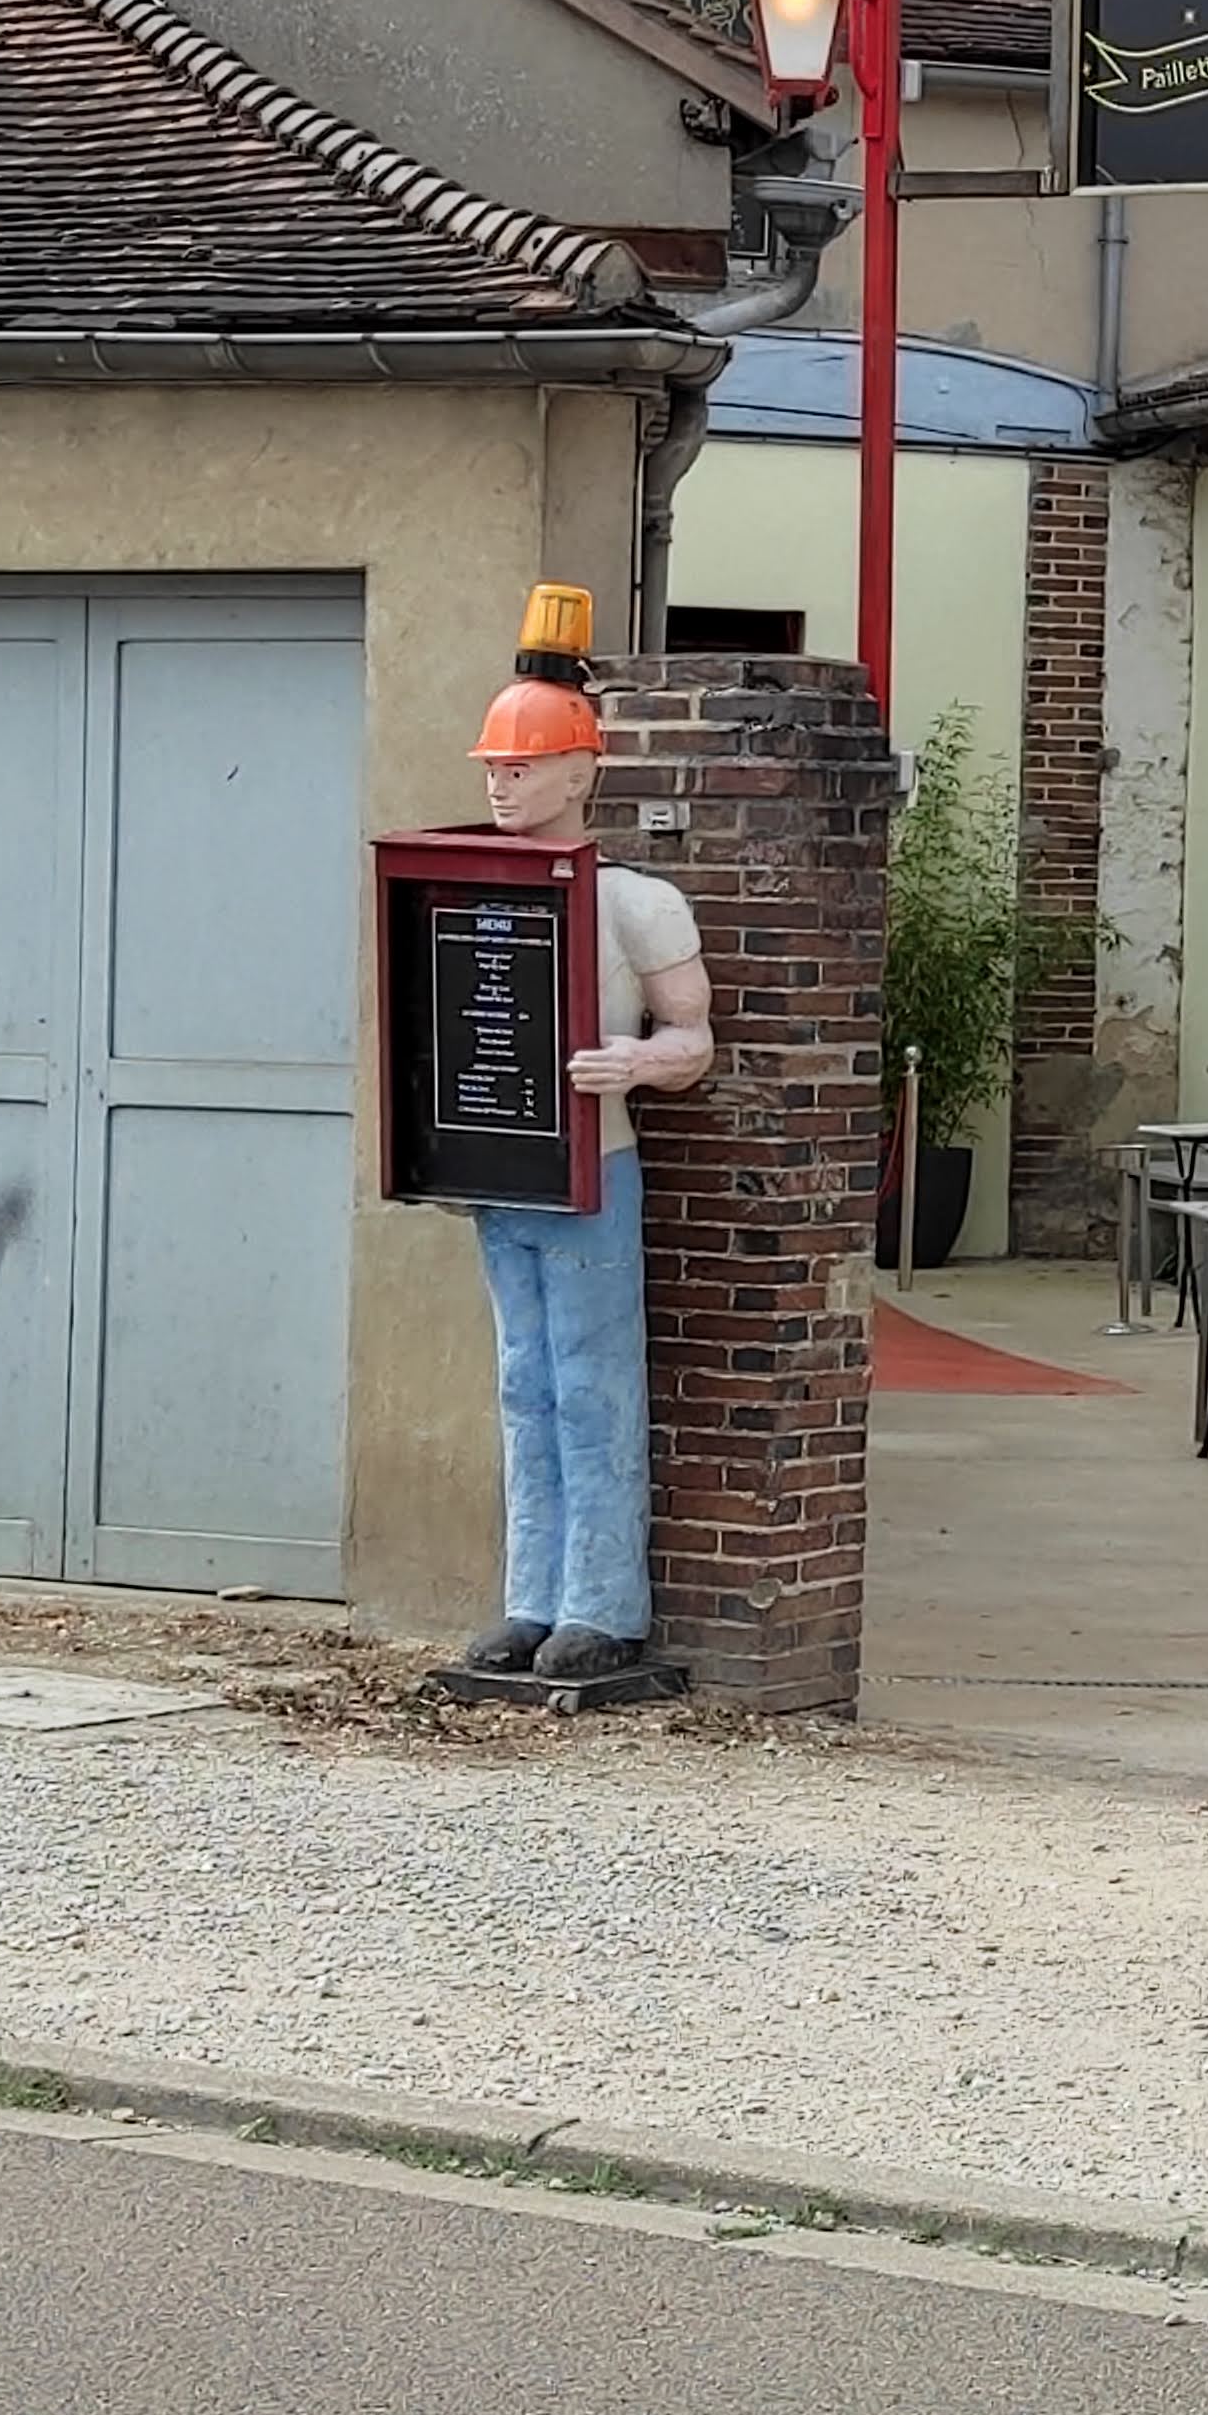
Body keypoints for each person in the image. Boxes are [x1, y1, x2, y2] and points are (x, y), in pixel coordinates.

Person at [461, 590, 714, 1684]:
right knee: (523, 1380)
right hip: (502, 1167)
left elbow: (693, 1038)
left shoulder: (636, 902)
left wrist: (634, 1062)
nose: (501, 784)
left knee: (592, 1378)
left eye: (522, 767)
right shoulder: (469, 886)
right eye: (495, 768)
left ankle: (602, 1599)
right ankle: (533, 1594)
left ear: (577, 772)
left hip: (590, 1166)